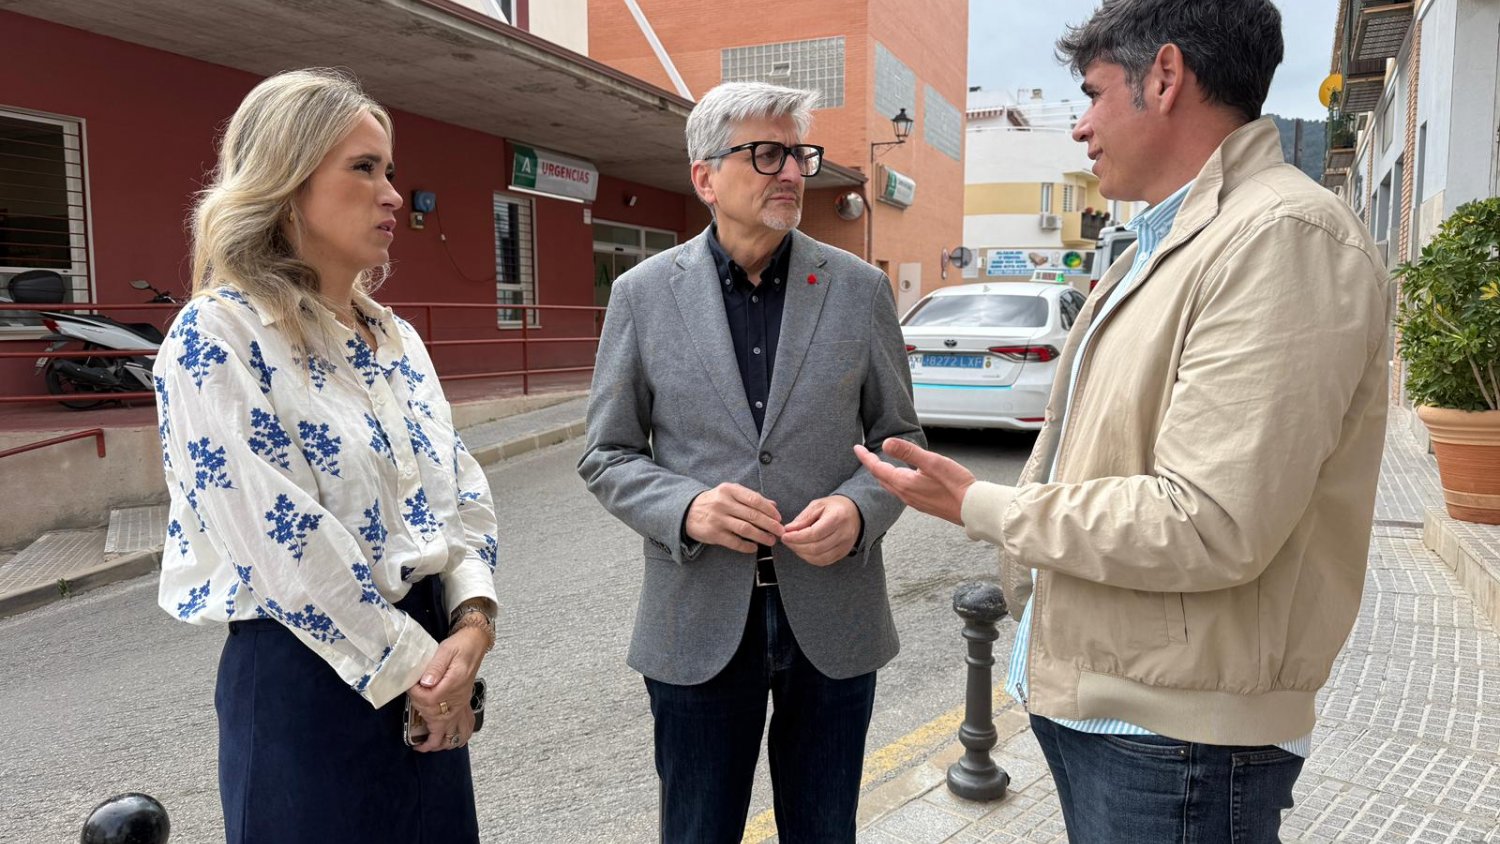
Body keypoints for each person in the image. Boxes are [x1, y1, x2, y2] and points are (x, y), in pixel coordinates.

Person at [855, 1, 1389, 840]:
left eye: (1095, 94)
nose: (1082, 129)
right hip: (1126, 715)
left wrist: (980, 504)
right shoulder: (1175, 239)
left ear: (1166, 77)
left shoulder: (1281, 239)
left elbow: (1209, 520)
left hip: (1179, 742)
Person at [154, 68, 499, 843]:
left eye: (391, 170)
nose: (393, 195)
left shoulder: (398, 340)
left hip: (433, 665)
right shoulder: (218, 338)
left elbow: (460, 487)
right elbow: (279, 542)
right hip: (306, 679)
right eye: (364, 167)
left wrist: (472, 623)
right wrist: (425, 670)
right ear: (286, 179)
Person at [577, 81, 924, 843]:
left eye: (800, 153)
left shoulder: (859, 290)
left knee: (825, 829)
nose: (792, 172)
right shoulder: (642, 296)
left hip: (832, 617)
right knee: (697, 830)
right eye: (766, 153)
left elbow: (903, 442)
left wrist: (862, 509)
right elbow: (607, 453)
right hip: (697, 619)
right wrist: (686, 508)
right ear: (705, 177)